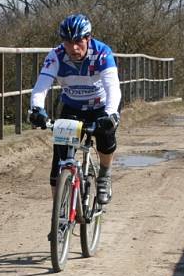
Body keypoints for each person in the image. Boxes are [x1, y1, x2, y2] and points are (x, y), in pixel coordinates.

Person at [28, 13, 121, 204]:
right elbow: (41, 86)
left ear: (88, 38)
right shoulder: (56, 56)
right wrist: (36, 109)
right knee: (58, 164)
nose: (74, 48)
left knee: (105, 137)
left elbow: (113, 88)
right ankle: (60, 217)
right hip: (72, 107)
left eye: (79, 41)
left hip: (101, 107)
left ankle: (104, 175)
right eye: (68, 42)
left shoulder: (102, 52)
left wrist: (111, 114)